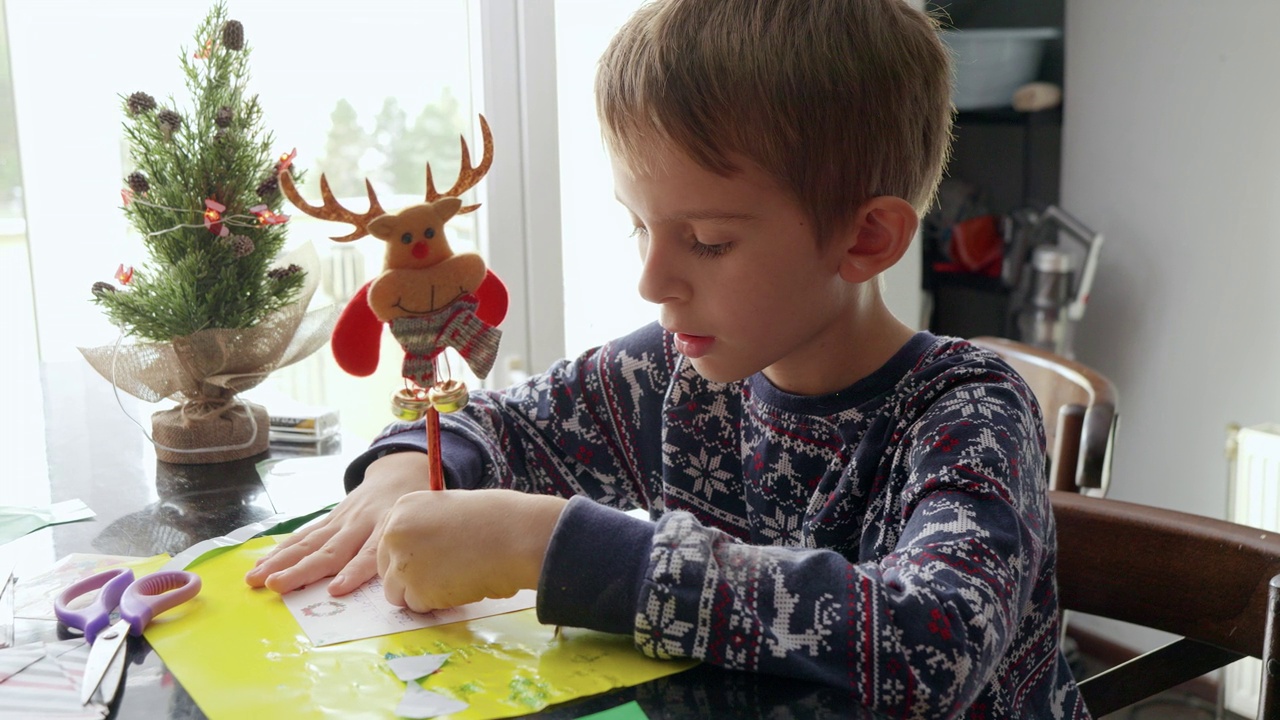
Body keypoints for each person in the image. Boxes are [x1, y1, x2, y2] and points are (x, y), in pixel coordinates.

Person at [246, 0, 1090, 716]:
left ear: (866, 238)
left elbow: (930, 645)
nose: (653, 278)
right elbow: (504, 422)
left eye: (709, 241)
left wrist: (556, 550)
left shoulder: (968, 412)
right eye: (639, 224)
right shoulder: (673, 374)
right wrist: (407, 470)